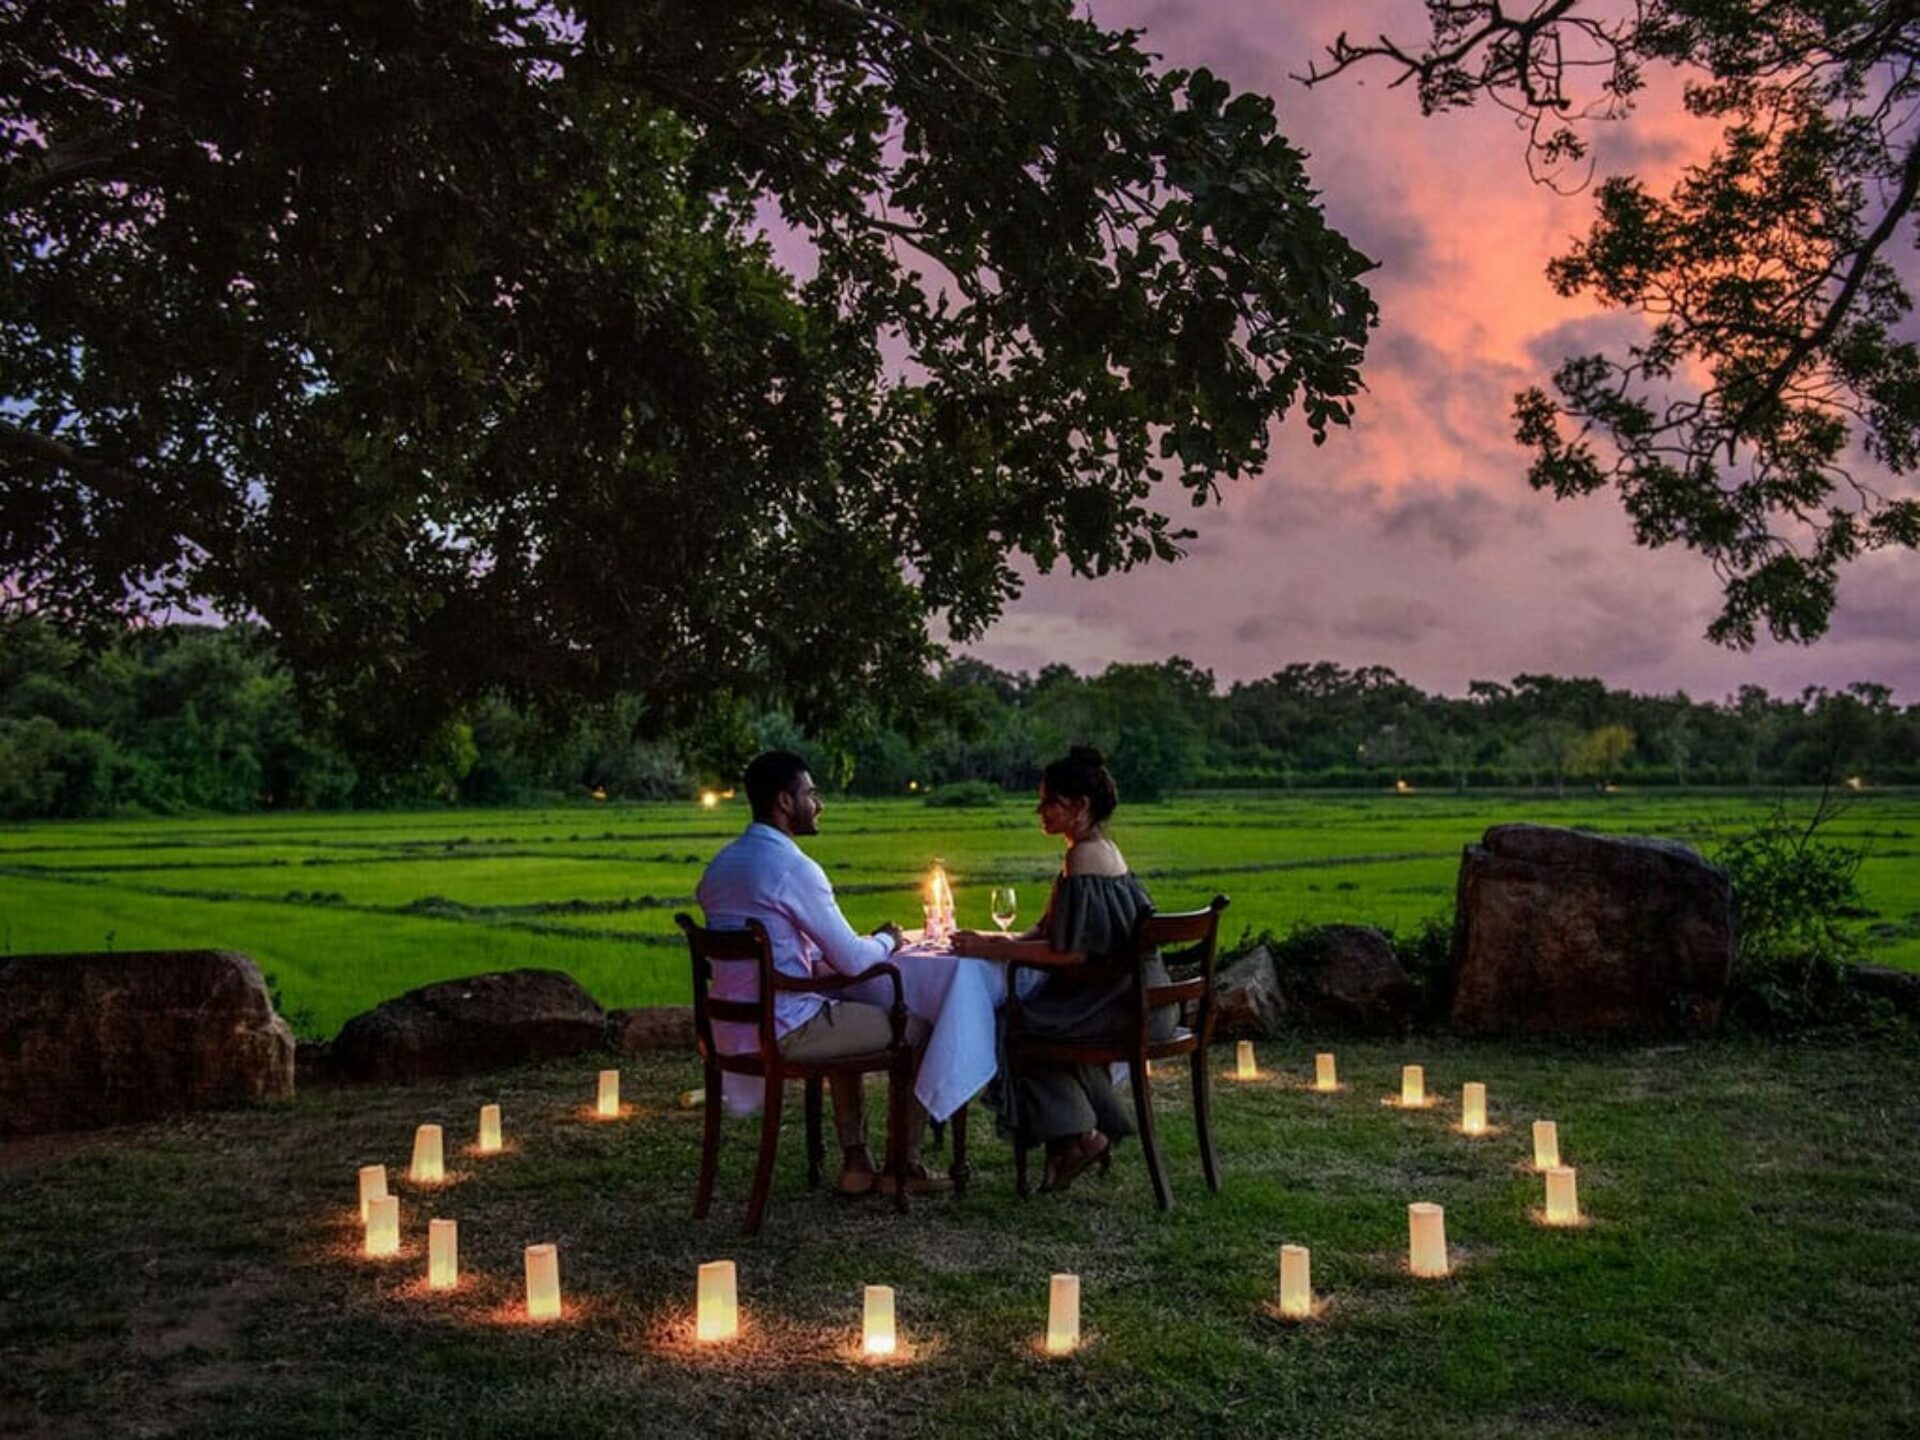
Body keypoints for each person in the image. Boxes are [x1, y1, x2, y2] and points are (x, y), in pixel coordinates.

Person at [695, 750, 949, 1197]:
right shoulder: (793, 868)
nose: (820, 804)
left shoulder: (722, 866)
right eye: (811, 794)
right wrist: (889, 938)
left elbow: (783, 949)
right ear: (784, 802)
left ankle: (856, 1162)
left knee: (844, 1010)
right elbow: (851, 959)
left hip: (733, 1031)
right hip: (786, 1028)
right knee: (923, 1030)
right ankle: (903, 1165)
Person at [950, 744, 1173, 1192]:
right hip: (1143, 997)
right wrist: (1001, 939)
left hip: (1126, 1005)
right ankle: (1078, 1135)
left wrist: (996, 951)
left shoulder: (1083, 858)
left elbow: (1072, 954)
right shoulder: (1101, 848)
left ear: (1081, 806)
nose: (1040, 811)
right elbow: (1056, 929)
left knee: (1015, 1024)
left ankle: (1079, 1137)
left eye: (1051, 801)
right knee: (1036, 1016)